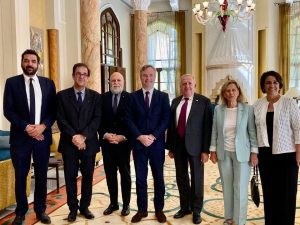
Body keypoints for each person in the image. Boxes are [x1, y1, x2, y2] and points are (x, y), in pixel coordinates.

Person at [3, 49, 56, 225]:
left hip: (42, 137)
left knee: (41, 175)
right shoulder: (12, 83)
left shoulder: (48, 84)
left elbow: (53, 111)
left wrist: (42, 127)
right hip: (20, 139)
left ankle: (41, 210)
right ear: (22, 62)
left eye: (33, 61)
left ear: (38, 64)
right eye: (26, 60)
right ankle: (20, 212)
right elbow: (8, 111)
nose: (30, 64)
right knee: (21, 176)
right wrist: (26, 127)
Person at [56, 63, 101, 222]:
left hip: (89, 144)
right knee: (70, 178)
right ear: (73, 75)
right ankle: (73, 209)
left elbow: (97, 120)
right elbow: (61, 120)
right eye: (78, 73)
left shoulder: (96, 97)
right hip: (69, 144)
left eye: (84, 74)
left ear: (88, 77)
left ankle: (85, 207)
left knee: (88, 177)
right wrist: (74, 137)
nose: (81, 76)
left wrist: (83, 136)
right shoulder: (61, 96)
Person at [253, 71, 300, 225]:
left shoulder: (289, 103)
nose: (271, 85)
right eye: (268, 82)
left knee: (287, 194)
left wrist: (299, 154)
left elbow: (298, 129)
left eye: (275, 82)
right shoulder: (257, 105)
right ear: (263, 86)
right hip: (265, 156)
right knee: (270, 193)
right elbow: (253, 130)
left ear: (279, 85)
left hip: (287, 155)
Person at [209, 80, 258, 225]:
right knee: (227, 187)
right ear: (224, 93)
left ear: (238, 92)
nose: (231, 93)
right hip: (223, 153)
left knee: (240, 188)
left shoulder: (247, 109)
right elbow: (214, 131)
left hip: (242, 154)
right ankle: (229, 218)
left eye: (233, 90)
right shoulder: (218, 109)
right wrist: (212, 150)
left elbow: (252, 132)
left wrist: (254, 153)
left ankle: (239, 220)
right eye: (227, 91)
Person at [126, 65, 170, 223]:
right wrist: (139, 136)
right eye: (145, 75)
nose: (148, 78)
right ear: (140, 77)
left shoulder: (163, 97)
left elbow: (166, 120)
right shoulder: (132, 97)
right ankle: (142, 210)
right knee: (140, 179)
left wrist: (152, 136)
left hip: (156, 145)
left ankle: (159, 209)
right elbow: (128, 119)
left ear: (155, 77)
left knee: (159, 178)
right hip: (139, 145)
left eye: (151, 75)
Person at [166, 74, 212, 224]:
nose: (187, 86)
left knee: (197, 179)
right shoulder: (175, 101)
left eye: (189, 83)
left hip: (196, 147)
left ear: (195, 85)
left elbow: (207, 128)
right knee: (181, 178)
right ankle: (184, 207)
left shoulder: (204, 102)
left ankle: (196, 210)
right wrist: (170, 147)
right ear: (180, 86)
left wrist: (206, 150)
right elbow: (171, 127)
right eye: (184, 84)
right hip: (178, 147)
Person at [98, 72, 131, 216]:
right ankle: (113, 203)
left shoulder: (130, 98)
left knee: (125, 175)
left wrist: (122, 137)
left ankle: (126, 205)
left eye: (118, 80)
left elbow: (133, 122)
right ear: (109, 82)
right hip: (107, 144)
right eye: (113, 80)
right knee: (110, 175)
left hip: (123, 145)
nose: (116, 83)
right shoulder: (102, 98)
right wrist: (105, 135)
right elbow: (98, 120)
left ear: (123, 82)